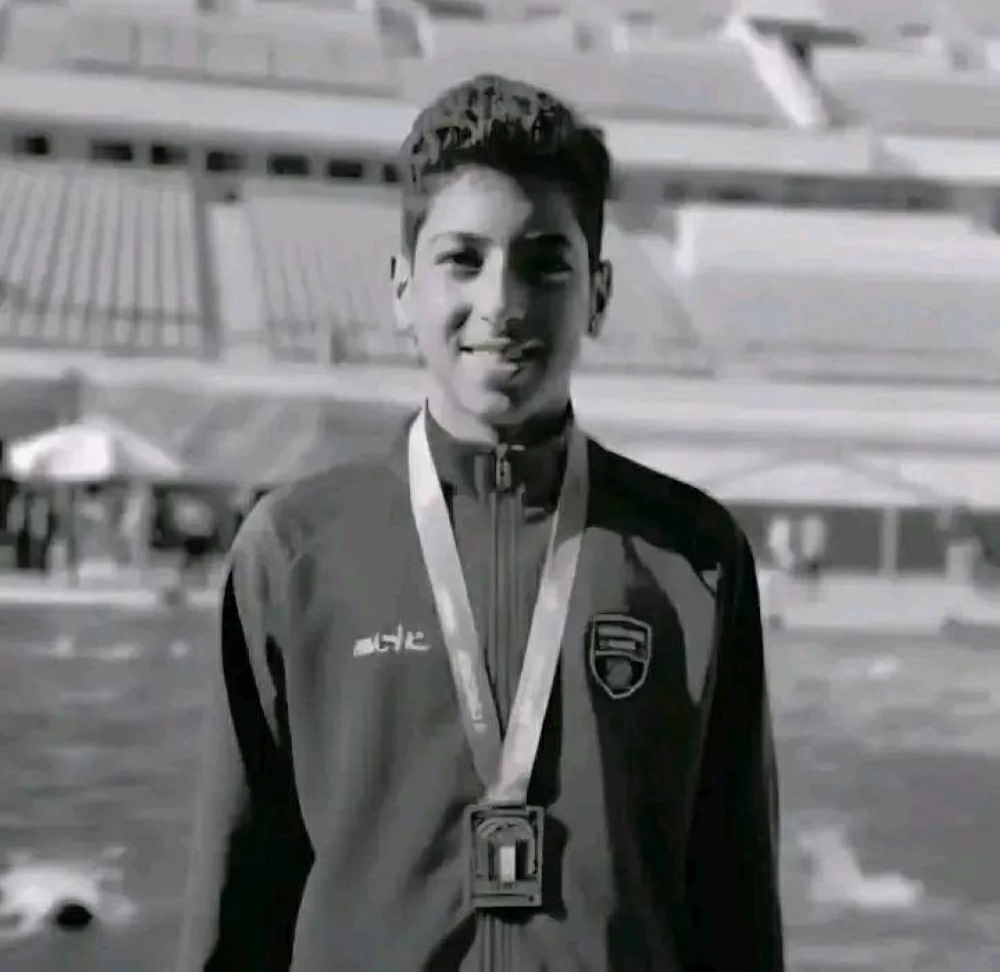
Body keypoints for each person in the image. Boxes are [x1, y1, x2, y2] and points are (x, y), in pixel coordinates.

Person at [176, 74, 784, 972]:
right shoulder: (295, 550)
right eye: (463, 260)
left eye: (545, 264)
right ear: (401, 288)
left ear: (600, 293)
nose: (502, 304)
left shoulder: (693, 557)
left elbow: (736, 906)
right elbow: (239, 903)